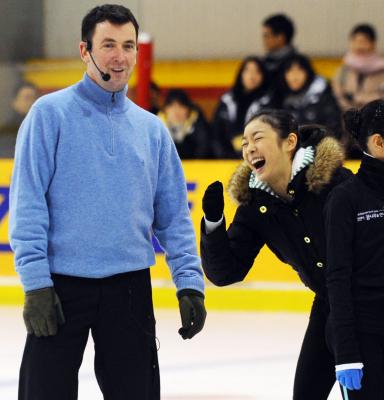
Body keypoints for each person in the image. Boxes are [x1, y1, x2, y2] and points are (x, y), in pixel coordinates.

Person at [9, 5, 206, 400]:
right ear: (85, 51)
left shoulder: (151, 130)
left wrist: (189, 283)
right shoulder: (49, 116)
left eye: (128, 45)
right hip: (60, 286)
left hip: (129, 288)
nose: (119, 56)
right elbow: (28, 205)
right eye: (109, 45)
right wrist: (35, 285)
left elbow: (173, 218)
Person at [200, 109, 353, 400]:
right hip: (328, 302)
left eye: (258, 138)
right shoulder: (256, 206)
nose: (249, 148)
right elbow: (225, 272)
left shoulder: (335, 183)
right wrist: (213, 223)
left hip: (370, 299)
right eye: (244, 143)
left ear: (289, 141)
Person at [324, 99, 384, 398]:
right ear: (379, 142)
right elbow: (337, 278)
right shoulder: (346, 199)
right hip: (364, 341)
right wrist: (346, 352)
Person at [212, 56, 275, 158]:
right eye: (248, 71)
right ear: (241, 74)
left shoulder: (269, 103)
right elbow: (216, 134)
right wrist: (223, 155)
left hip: (257, 158)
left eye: (257, 72)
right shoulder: (226, 100)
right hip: (224, 159)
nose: (252, 76)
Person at [280, 54, 342, 136]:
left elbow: (333, 128)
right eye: (289, 71)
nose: (294, 76)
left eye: (299, 71)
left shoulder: (323, 95)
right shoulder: (281, 96)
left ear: (308, 73)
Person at [332, 24, 384, 112]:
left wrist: (358, 98)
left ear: (373, 44)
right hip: (347, 120)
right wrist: (351, 112)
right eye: (356, 41)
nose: (359, 46)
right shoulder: (344, 70)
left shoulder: (381, 70)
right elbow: (337, 95)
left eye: (364, 41)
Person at [158, 89, 212, 159]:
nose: (176, 111)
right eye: (172, 106)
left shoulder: (198, 125)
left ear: (188, 110)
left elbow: (203, 151)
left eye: (181, 106)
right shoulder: (157, 126)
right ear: (165, 109)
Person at [0, 82, 39, 158]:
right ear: (14, 102)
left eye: (34, 98)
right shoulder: (8, 130)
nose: (32, 102)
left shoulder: (38, 127)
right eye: (27, 98)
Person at [262, 13, 297, 84]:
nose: (264, 40)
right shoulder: (264, 62)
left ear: (280, 38)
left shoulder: (296, 65)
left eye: (266, 36)